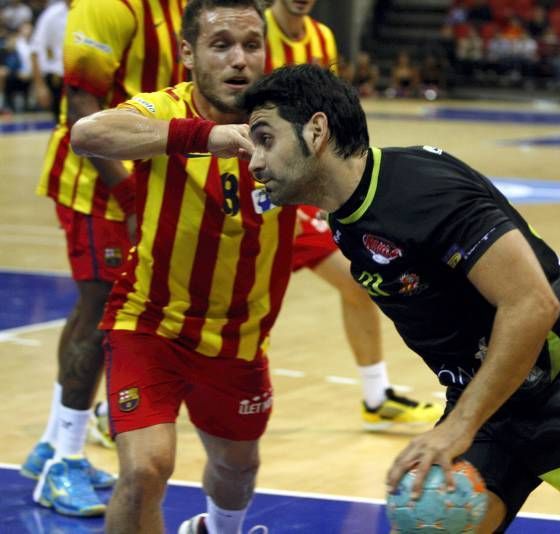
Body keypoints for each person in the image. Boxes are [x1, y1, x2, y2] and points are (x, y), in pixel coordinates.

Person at [237, 64, 560, 533]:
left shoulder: (425, 192)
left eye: (265, 139)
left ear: (317, 131)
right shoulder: (346, 216)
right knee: (434, 526)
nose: (254, 161)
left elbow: (533, 304)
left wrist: (459, 426)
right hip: (490, 399)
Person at [70, 1, 289, 532]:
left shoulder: (291, 123)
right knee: (146, 470)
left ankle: (217, 528)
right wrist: (202, 137)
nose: (239, 59)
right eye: (221, 45)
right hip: (150, 322)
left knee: (237, 470)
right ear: (189, 53)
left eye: (251, 44)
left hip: (239, 336)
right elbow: (88, 133)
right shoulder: (166, 109)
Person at [26, 0, 186, 517]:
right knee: (101, 318)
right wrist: (132, 201)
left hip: (135, 179)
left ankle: (53, 444)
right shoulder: (105, 6)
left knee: (89, 312)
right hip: (97, 182)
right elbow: (82, 111)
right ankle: (64, 463)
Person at [264, 0, 440, 429]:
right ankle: (116, 405)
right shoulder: (254, 36)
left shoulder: (321, 38)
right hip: (258, 188)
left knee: (358, 280)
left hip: (300, 194)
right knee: (222, 306)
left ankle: (376, 396)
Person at [29, 0, 67, 121]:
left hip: (87, 80)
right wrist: (40, 87)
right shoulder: (51, 15)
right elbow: (34, 52)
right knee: (62, 124)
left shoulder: (92, 12)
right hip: (59, 80)